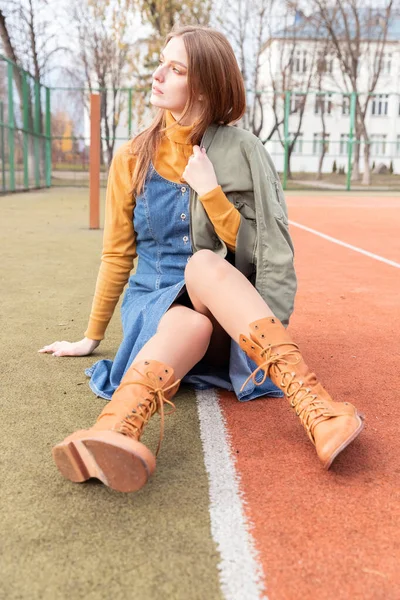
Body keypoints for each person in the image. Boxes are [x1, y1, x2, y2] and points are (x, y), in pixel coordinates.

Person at [39, 25, 364, 493]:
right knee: (190, 322)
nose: (158, 75)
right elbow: (117, 255)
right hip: (156, 305)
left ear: (206, 86)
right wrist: (92, 337)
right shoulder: (131, 156)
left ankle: (318, 409)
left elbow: (259, 251)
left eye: (176, 69)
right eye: (161, 63)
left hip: (228, 308)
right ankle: (114, 428)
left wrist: (211, 191)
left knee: (204, 266)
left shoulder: (243, 151)